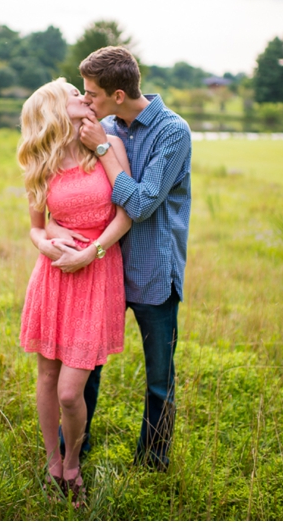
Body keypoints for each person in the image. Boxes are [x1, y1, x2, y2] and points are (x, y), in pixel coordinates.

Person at [51, 45, 192, 471]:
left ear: (116, 93)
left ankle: (152, 462)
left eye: (90, 93)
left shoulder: (172, 131)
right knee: (85, 368)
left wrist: (101, 152)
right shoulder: (107, 125)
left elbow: (142, 204)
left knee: (159, 381)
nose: (85, 100)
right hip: (105, 271)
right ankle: (73, 451)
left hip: (153, 270)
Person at [17, 78, 133, 505]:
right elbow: (35, 225)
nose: (83, 97)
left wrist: (92, 252)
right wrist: (47, 241)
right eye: (72, 92)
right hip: (54, 277)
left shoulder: (107, 148)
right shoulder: (40, 162)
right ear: (52, 109)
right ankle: (53, 463)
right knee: (47, 377)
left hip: (96, 273)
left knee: (71, 391)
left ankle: (73, 462)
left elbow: (126, 215)